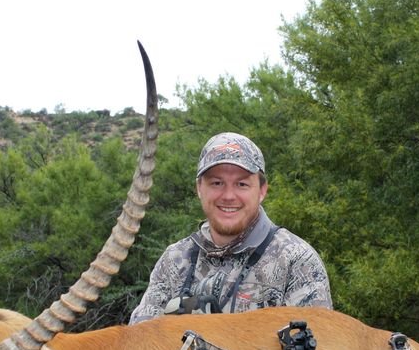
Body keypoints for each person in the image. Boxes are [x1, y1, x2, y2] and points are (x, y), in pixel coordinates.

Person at [129, 132, 332, 324]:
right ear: (199, 188)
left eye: (241, 184)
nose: (228, 196)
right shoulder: (174, 260)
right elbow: (140, 341)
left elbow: (317, 348)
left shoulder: (296, 260)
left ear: (262, 190)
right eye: (217, 183)